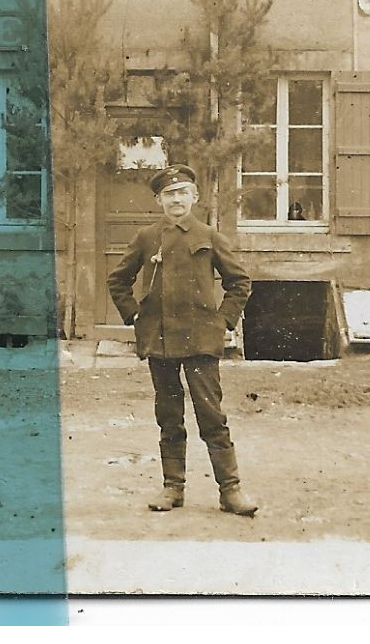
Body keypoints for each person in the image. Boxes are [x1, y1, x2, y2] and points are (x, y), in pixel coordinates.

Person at [106, 164, 258, 516]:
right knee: (169, 416)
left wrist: (222, 320)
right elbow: (118, 281)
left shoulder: (210, 235)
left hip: (201, 341)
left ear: (194, 197)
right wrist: (136, 316)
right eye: (169, 194)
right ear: (159, 200)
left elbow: (241, 282)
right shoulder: (146, 238)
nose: (176, 199)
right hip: (160, 341)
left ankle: (230, 490)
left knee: (211, 415)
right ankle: (172, 488)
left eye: (183, 192)